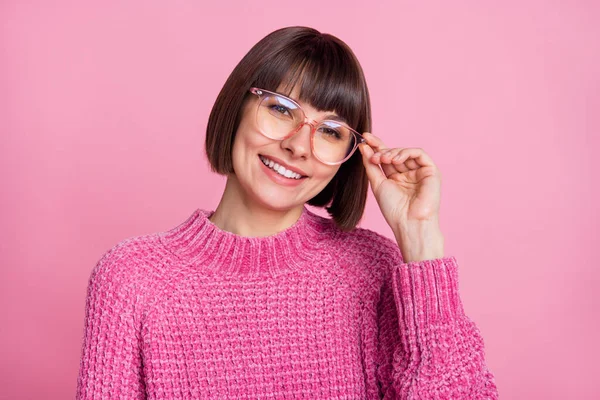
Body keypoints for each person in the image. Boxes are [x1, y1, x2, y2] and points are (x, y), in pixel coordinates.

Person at [76, 26, 499, 399]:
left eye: (330, 132)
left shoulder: (372, 271)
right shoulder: (131, 281)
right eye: (281, 108)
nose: (298, 145)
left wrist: (420, 239)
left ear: (348, 156)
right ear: (236, 106)